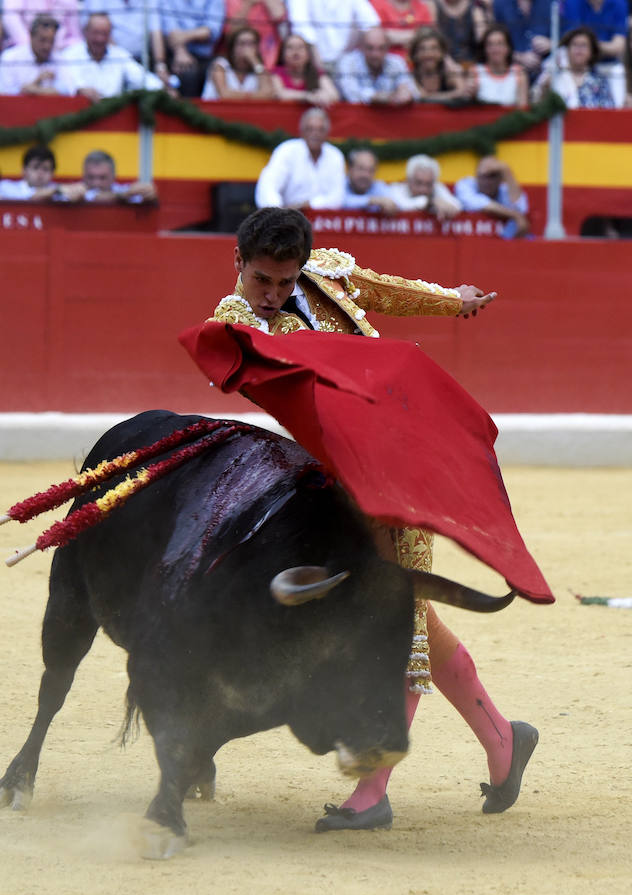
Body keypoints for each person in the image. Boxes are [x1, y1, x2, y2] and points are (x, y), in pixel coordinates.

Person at [208, 206, 539, 831]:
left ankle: (372, 791)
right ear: (239, 267)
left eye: (284, 281)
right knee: (411, 613)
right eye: (262, 281)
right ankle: (503, 742)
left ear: (301, 267)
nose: (274, 295)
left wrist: (454, 300)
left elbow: (390, 291)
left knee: (398, 618)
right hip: (345, 477)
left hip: (404, 456)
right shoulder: (236, 320)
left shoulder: (327, 274)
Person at [55, 12, 163, 100]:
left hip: (113, 117)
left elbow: (143, 79)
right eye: (96, 33)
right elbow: (61, 85)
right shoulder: (69, 55)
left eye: (104, 33)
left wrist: (163, 89)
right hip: (78, 115)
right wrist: (78, 90)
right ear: (85, 32)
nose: (100, 39)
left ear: (110, 34)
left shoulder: (119, 55)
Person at [255, 107, 346, 210]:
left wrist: (309, 205)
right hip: (288, 217)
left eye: (321, 129)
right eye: (310, 129)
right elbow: (267, 187)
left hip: (324, 221)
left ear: (327, 133)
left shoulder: (335, 156)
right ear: (301, 131)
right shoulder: (287, 151)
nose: (315, 134)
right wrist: (279, 213)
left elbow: (337, 197)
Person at [79, 0, 169, 84]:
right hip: (110, 57)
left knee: (156, 86)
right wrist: (121, 57)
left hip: (145, 60)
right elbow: (98, 30)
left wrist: (160, 65)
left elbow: (156, 32)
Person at [561, 0, 627, 107]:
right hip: (577, 65)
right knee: (557, 67)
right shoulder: (572, 3)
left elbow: (618, 46)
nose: (580, 47)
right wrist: (585, 46)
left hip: (608, 64)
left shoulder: (619, 3)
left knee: (618, 72)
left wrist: (590, 45)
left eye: (584, 45)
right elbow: (572, 39)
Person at [532, 26, 615, 108]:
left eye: (584, 45)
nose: (579, 49)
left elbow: (609, 111)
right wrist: (545, 89)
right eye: (574, 45)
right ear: (566, 50)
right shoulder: (554, 78)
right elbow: (537, 106)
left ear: (592, 52)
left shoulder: (599, 81)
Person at [286, 0, 380, 72]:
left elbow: (371, 24)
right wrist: (319, 67)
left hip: (348, 62)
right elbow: (300, 25)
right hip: (312, 63)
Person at [334, 26, 415, 105]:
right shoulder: (347, 63)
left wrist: (405, 91)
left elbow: (408, 89)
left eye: (381, 48)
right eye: (370, 48)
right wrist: (377, 97)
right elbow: (351, 95)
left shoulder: (397, 63)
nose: (375, 54)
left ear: (388, 48)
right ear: (361, 47)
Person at [454, 154, 529, 238]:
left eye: (492, 176)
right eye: (483, 176)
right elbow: (479, 203)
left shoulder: (503, 189)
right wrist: (515, 216)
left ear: (500, 179)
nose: (487, 181)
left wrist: (506, 170)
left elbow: (520, 208)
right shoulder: (465, 184)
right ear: (476, 175)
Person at [161, 0, 225, 97]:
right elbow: (169, 30)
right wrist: (180, 51)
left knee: (220, 69)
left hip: (206, 57)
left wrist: (183, 36)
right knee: (187, 72)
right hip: (175, 53)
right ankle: (188, 111)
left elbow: (212, 31)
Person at [55, 149, 158, 204]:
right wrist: (123, 196)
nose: (96, 183)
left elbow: (145, 198)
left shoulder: (124, 190)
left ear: (113, 176)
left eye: (102, 178)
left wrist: (149, 194)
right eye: (91, 177)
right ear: (83, 176)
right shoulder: (73, 190)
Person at [0, 14, 65, 95]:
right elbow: (4, 92)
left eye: (51, 41)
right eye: (43, 40)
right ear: (31, 36)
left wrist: (33, 90)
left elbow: (67, 90)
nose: (47, 46)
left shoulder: (59, 59)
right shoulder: (10, 58)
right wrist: (35, 83)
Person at [201, 25, 275, 99]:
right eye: (242, 43)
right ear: (233, 47)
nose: (247, 49)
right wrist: (256, 96)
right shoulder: (220, 65)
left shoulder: (258, 68)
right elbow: (225, 95)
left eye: (251, 44)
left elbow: (268, 93)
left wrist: (254, 61)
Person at [467, 23, 529, 107]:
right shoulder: (475, 71)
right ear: (485, 49)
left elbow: (523, 109)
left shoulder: (519, 73)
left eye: (500, 44)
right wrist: (471, 95)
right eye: (490, 44)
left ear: (508, 48)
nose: (495, 49)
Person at [271, 32, 339, 106]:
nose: (295, 51)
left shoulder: (316, 73)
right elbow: (279, 93)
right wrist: (307, 96)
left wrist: (323, 95)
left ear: (308, 54)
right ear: (282, 53)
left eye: (300, 47)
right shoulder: (276, 72)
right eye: (290, 47)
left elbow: (334, 95)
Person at [408, 25, 472, 103]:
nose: (429, 54)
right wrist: (453, 95)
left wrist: (455, 71)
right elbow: (423, 97)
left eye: (434, 48)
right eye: (422, 49)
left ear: (442, 53)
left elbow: (462, 92)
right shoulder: (410, 75)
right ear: (415, 54)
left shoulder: (449, 70)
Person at [492, 0, 551, 82]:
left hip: (546, 76)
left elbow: (569, 35)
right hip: (511, 75)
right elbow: (492, 45)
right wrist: (520, 57)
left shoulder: (552, 3)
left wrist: (552, 43)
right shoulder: (500, 4)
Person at [390, 153, 462, 219]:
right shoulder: (395, 189)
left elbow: (457, 205)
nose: (423, 189)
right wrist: (431, 203)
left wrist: (445, 206)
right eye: (419, 183)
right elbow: (401, 205)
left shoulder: (438, 187)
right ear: (408, 180)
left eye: (428, 184)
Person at [222, 0, 288, 71]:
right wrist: (247, 4)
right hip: (238, 65)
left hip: (269, 63)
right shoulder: (230, 2)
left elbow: (279, 16)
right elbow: (231, 34)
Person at [1, 0, 80, 53]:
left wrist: (59, 48)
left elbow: (75, 37)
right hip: (23, 51)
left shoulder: (70, 2)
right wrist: (31, 47)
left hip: (60, 53)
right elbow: (10, 18)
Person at [370, 0, 436, 60]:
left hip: (416, 63)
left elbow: (428, 37)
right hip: (385, 62)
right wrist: (415, 36)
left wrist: (391, 35)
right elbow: (373, 37)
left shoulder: (421, 6)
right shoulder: (376, 4)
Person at [431, 0, 489, 66]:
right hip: (444, 63)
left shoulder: (475, 7)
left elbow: (482, 39)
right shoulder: (435, 5)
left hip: (473, 63)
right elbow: (434, 41)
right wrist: (448, 62)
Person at [343, 148, 399, 213]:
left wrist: (391, 206)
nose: (365, 175)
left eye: (371, 170)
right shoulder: (340, 184)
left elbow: (395, 203)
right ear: (349, 169)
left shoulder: (378, 187)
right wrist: (371, 201)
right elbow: (339, 201)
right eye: (361, 169)